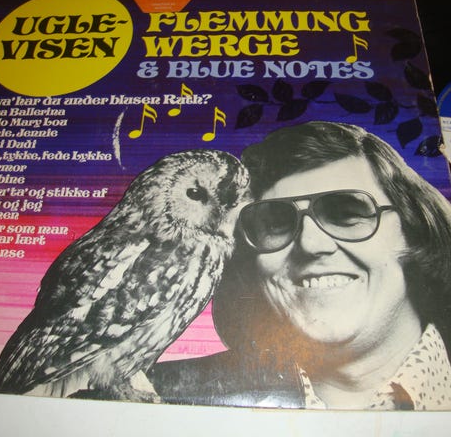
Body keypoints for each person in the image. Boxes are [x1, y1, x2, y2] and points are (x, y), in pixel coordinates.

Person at [148, 121, 451, 410]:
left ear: (413, 230)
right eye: (276, 223)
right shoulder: (158, 392)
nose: (311, 244)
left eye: (346, 214)